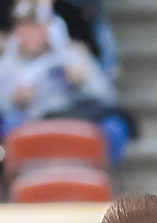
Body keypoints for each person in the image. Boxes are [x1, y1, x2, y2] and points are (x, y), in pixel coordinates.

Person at [0, 17, 130, 161]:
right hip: (31, 120)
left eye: (35, 27)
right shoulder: (5, 64)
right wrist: (15, 101)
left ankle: (102, 177)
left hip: (77, 115)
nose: (30, 34)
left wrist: (82, 83)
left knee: (115, 126)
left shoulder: (73, 54)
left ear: (46, 29)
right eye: (24, 28)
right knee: (8, 129)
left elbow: (106, 96)